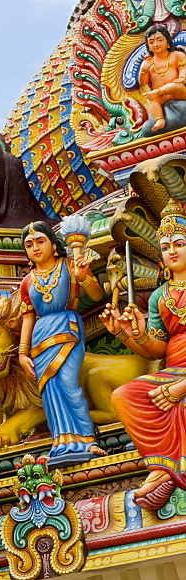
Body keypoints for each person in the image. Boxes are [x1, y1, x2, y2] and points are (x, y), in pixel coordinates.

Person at [104, 200, 186, 509]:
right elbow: (158, 348)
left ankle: (167, 470)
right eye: (166, 246)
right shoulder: (159, 297)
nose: (172, 250)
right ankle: (162, 466)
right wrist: (129, 334)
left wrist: (180, 389)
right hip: (173, 369)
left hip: (181, 380)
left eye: (179, 243)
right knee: (123, 396)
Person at [17, 221, 105, 467]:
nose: (35, 248)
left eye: (40, 241)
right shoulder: (28, 282)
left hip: (68, 327)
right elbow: (28, 317)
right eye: (29, 245)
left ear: (54, 245)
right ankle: (62, 441)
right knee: (49, 390)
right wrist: (22, 353)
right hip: (40, 336)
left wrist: (84, 277)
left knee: (67, 382)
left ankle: (86, 439)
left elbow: (97, 295)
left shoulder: (68, 266)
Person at [139, 24, 186, 132]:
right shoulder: (149, 62)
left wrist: (182, 78)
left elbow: (184, 68)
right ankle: (160, 120)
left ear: (168, 42)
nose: (156, 44)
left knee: (175, 85)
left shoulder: (177, 55)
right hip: (162, 97)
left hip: (178, 91)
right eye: (151, 42)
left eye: (159, 40)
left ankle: (158, 93)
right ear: (148, 46)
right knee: (151, 98)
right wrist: (143, 70)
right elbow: (143, 83)